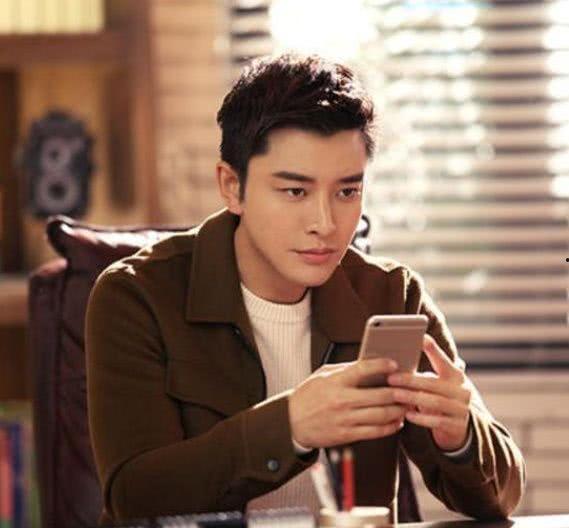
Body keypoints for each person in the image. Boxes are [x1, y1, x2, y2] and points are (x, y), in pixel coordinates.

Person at [85, 53, 525, 525]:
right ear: (231, 186)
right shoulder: (136, 296)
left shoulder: (392, 295)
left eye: (347, 192)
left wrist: (461, 438)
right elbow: (135, 497)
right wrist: (291, 425)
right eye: (295, 191)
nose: (325, 224)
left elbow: (501, 501)